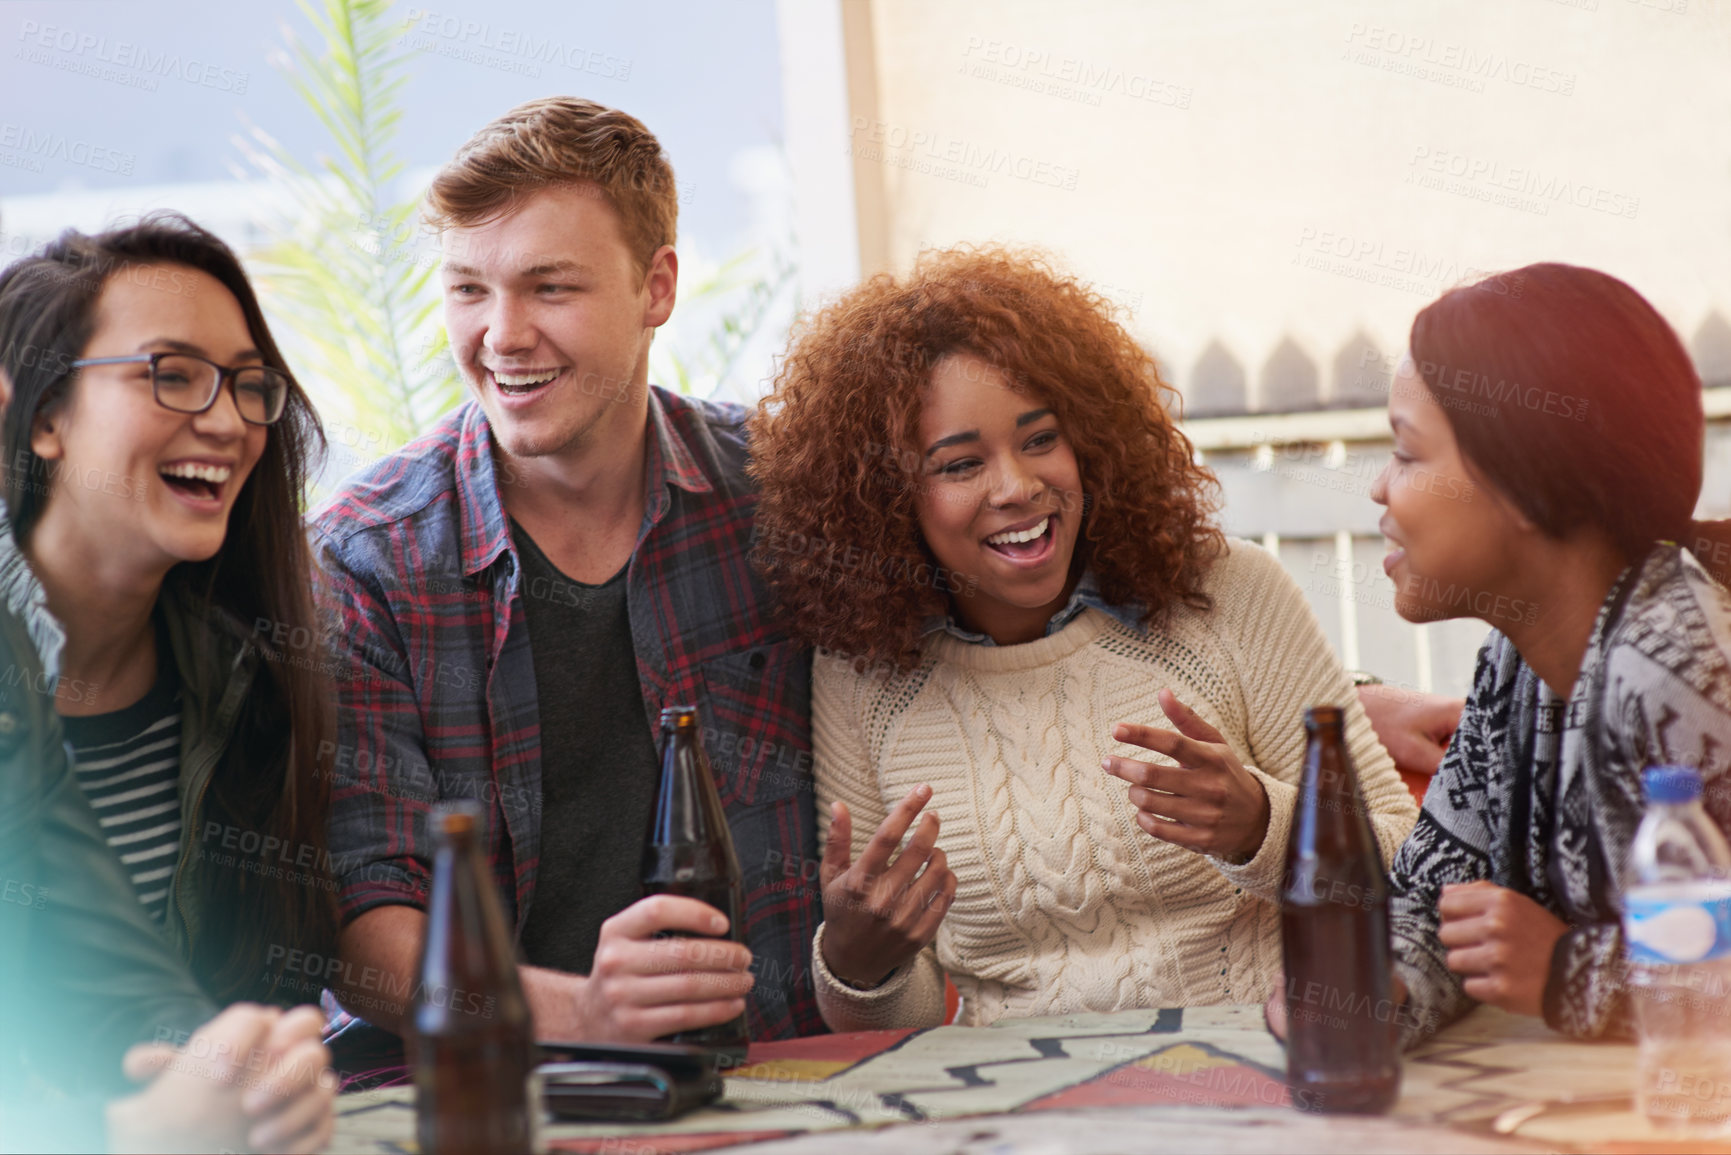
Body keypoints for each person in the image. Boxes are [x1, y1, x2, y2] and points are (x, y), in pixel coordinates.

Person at [746, 247, 1420, 1030]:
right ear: (890, 497)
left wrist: (1262, 826)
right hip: (1019, 1112)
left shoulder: (1230, 592)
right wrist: (863, 962)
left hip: (1261, 1076)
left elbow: (1411, 870)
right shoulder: (862, 674)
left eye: (1039, 439)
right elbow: (905, 1026)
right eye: (961, 463)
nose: (1016, 485)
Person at [314, 97, 821, 1046]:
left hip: (774, 1075)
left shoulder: (784, 496)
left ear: (656, 287)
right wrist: (585, 1013)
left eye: (550, 288)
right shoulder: (365, 561)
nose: (501, 335)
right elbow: (365, 934)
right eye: (468, 289)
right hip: (477, 1096)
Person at [0, 220, 334, 1152]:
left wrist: (245, 1070)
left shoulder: (262, 679)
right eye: (172, 374)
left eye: (247, 384)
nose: (228, 421)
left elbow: (141, 1003)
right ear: (42, 416)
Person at [1356, 263, 1730, 1045]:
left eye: (1407, 453)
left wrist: (1567, 970)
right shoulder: (1515, 660)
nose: (1379, 490)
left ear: (1526, 487)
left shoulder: (1680, 663)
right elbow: (1433, 895)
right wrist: (1373, 992)